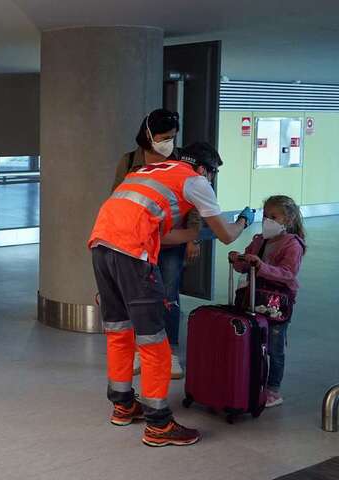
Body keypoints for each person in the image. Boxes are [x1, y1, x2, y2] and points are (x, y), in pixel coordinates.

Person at [89, 142, 255, 447]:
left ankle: (123, 405)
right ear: (205, 169)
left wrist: (194, 234)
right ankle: (159, 424)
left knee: (119, 332)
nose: (211, 180)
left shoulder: (147, 171)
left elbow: (161, 235)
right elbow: (227, 235)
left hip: (101, 246)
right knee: (154, 342)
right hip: (131, 255)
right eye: (213, 174)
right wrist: (244, 220)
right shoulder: (195, 179)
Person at [113, 109, 197, 380]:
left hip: (172, 239)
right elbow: (117, 199)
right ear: (147, 135)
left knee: (169, 294)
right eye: (163, 137)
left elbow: (194, 199)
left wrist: (192, 237)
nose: (168, 143)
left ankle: (170, 352)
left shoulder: (182, 161)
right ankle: (142, 349)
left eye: (172, 137)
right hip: (138, 242)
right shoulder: (129, 161)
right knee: (140, 295)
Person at [229, 195, 306, 408]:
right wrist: (240, 260)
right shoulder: (259, 240)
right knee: (253, 341)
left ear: (288, 220)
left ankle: (273, 389)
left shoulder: (293, 245)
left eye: (273, 217)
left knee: (274, 347)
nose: (267, 221)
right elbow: (246, 263)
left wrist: (261, 266)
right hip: (254, 298)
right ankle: (255, 380)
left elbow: (288, 273)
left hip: (277, 304)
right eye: (265, 216)